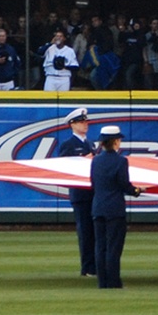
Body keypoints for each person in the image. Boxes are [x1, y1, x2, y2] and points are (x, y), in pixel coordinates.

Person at [89, 124, 138, 289]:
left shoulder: (95, 161)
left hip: (98, 207)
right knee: (113, 248)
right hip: (115, 209)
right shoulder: (121, 161)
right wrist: (137, 191)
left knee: (100, 247)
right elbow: (125, 185)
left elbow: (94, 183)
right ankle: (114, 281)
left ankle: (102, 282)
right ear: (116, 142)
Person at [55, 106, 97, 277]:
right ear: (72, 125)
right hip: (80, 194)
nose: (85, 124)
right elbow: (65, 167)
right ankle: (87, 267)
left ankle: (94, 265)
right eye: (81, 122)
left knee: (95, 231)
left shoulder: (90, 143)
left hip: (93, 192)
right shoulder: (68, 144)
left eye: (85, 121)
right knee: (85, 231)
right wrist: (82, 160)